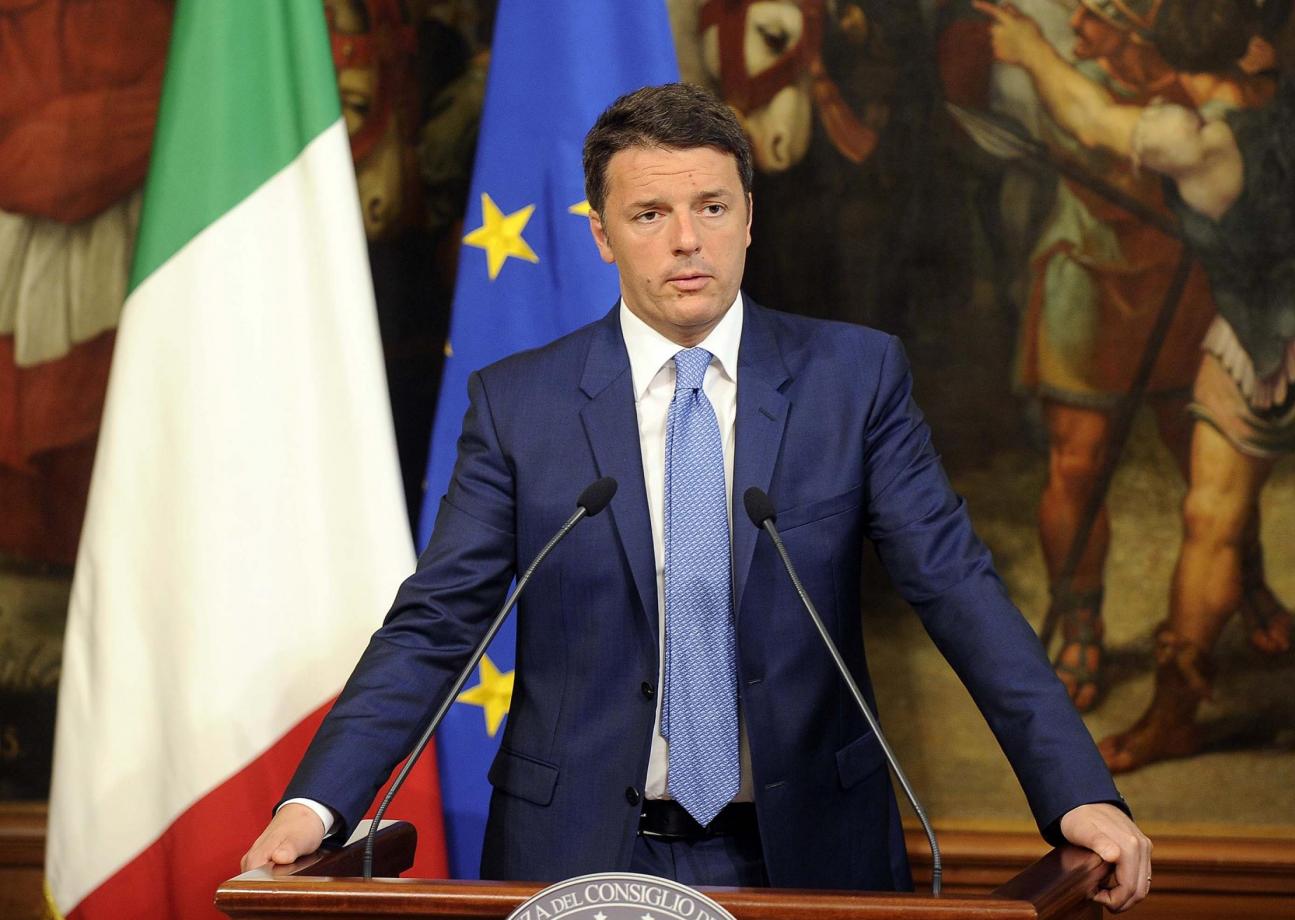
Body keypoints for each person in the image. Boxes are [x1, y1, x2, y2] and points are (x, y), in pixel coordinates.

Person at [241, 83, 1151, 911]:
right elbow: (436, 624)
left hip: (810, 853)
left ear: (749, 217)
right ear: (602, 234)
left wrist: (1076, 792)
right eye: (650, 213)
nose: (687, 240)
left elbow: (958, 590)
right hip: (575, 858)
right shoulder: (521, 406)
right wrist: (314, 807)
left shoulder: (853, 380)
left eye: (712, 207)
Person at [981, 0, 1295, 772]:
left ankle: (1174, 713)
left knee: (1254, 523)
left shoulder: (1193, 138)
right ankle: (1173, 718)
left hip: (1262, 351)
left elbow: (1089, 114)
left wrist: (1031, 48)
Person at [990, 0, 1288, 713]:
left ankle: (1245, 578)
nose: (1078, 27)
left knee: (1210, 458)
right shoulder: (1064, 79)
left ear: (1142, 22)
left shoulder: (1208, 88)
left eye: (1096, 14)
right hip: (1089, 279)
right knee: (1077, 463)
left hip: (1185, 284)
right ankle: (1081, 622)